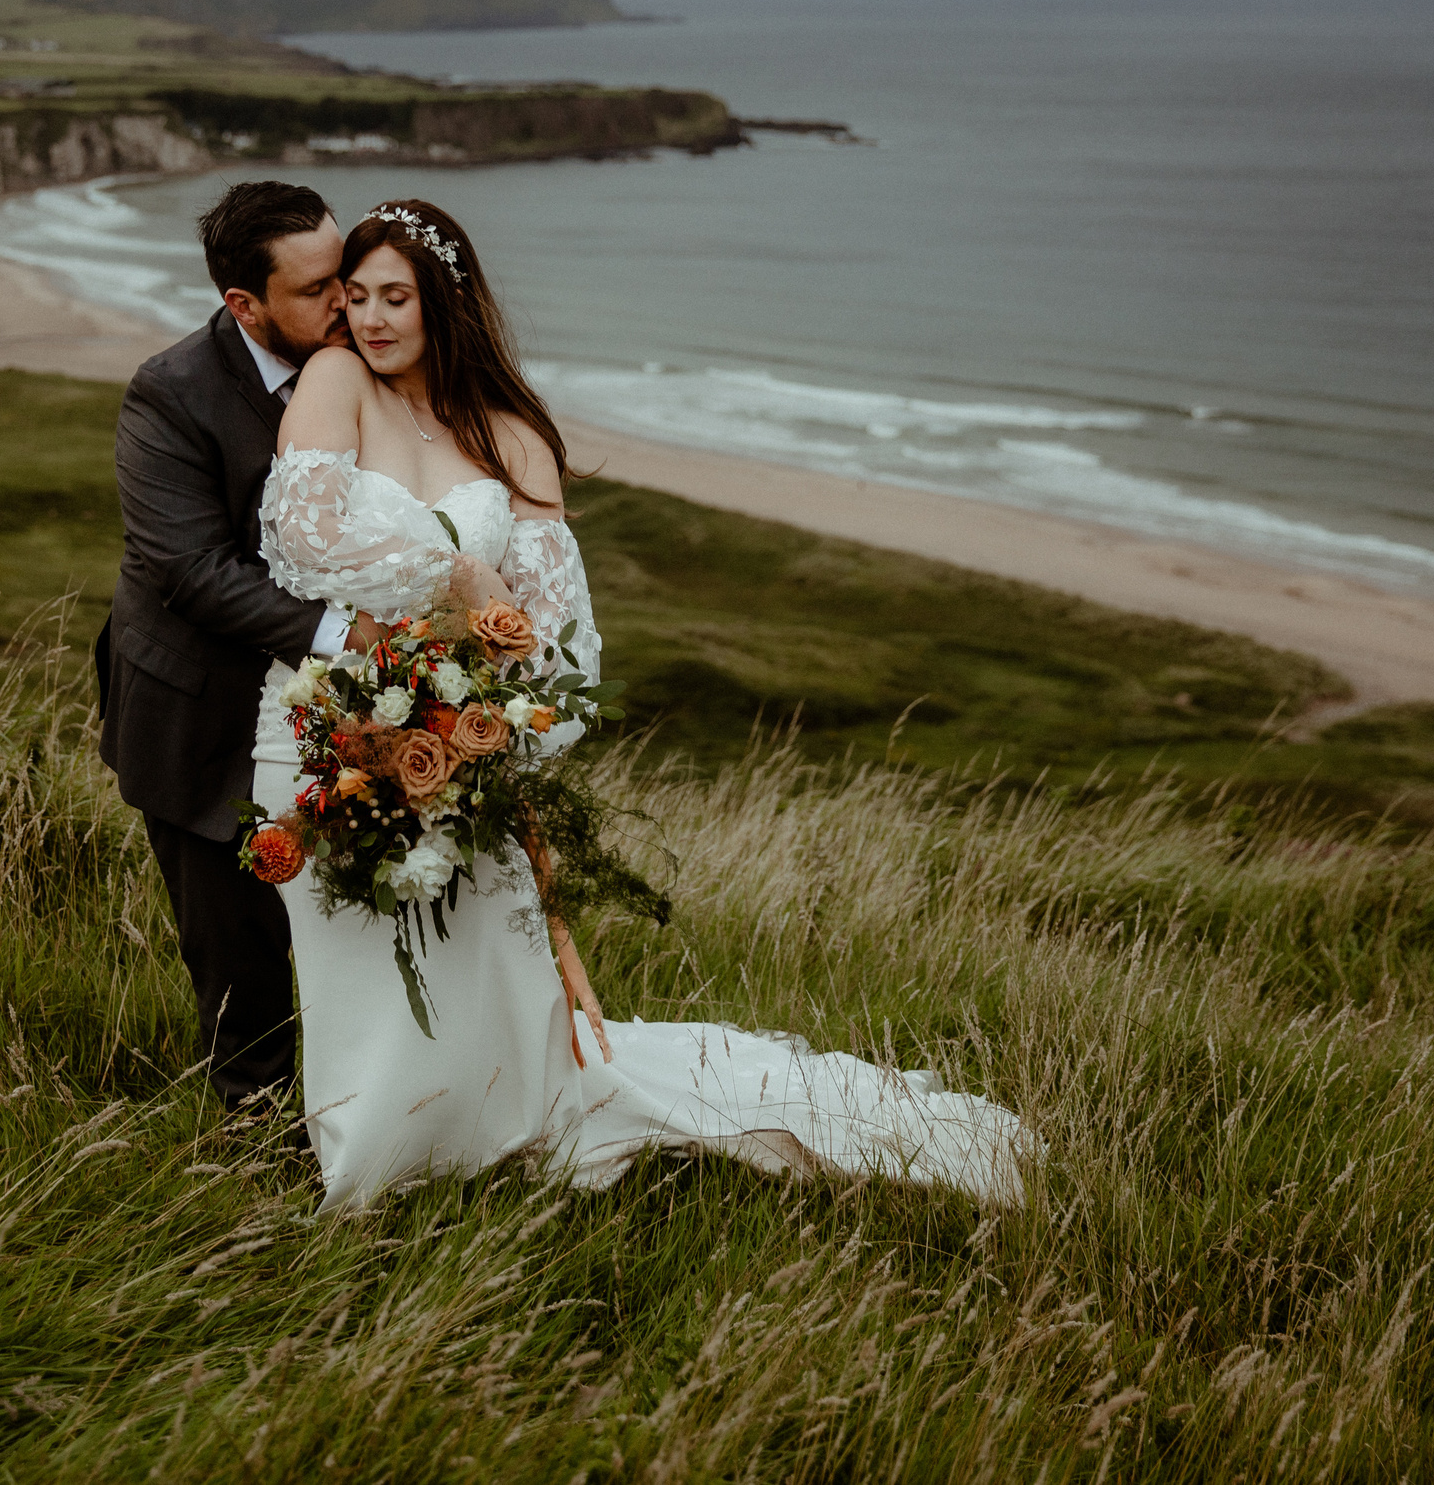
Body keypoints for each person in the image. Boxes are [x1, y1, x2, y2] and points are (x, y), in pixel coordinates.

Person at [255, 199, 1037, 1209]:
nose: (369, 317)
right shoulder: (334, 381)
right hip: (329, 731)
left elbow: (558, 632)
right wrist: (453, 579)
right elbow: (307, 532)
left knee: (481, 966)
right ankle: (368, 1172)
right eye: (354, 296)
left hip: (463, 742)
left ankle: (482, 1146)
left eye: (395, 297)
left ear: (444, 300)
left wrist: (487, 741)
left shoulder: (513, 438)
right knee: (356, 961)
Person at [96, 180, 382, 1112]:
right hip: (201, 716)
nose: (346, 300)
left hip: (348, 720)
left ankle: (370, 1113)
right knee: (239, 951)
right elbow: (189, 570)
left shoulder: (370, 360)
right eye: (315, 290)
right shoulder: (171, 393)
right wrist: (355, 637)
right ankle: (253, 1141)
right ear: (243, 304)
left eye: (345, 273)